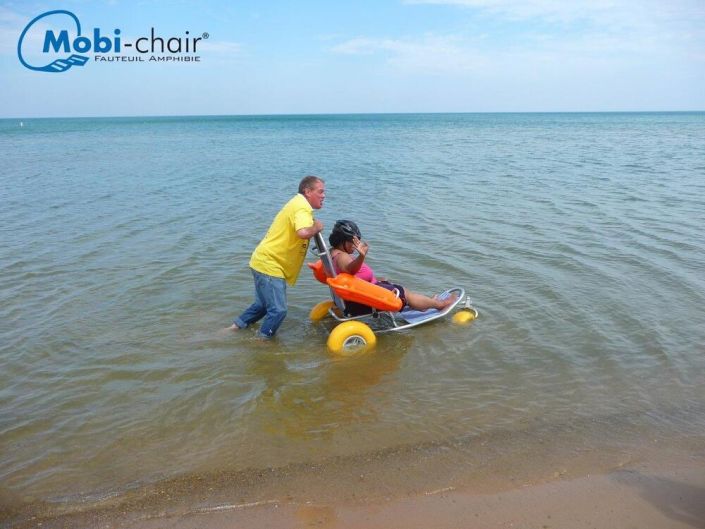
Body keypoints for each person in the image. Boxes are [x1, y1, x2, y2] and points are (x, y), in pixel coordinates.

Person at [228, 176, 325, 338]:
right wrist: (317, 226)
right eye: (320, 192)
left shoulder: (297, 203)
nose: (324, 196)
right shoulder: (302, 207)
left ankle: (232, 330)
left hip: (261, 260)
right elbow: (302, 233)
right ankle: (262, 342)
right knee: (279, 310)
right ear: (307, 192)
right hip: (270, 264)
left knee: (262, 306)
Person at [328, 220, 457, 312]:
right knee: (404, 292)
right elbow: (350, 270)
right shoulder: (342, 257)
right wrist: (361, 256)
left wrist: (374, 280)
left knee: (394, 285)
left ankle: (423, 304)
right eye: (353, 242)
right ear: (342, 241)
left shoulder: (333, 253)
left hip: (357, 296)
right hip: (362, 301)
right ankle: (439, 304)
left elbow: (349, 274)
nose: (355, 245)